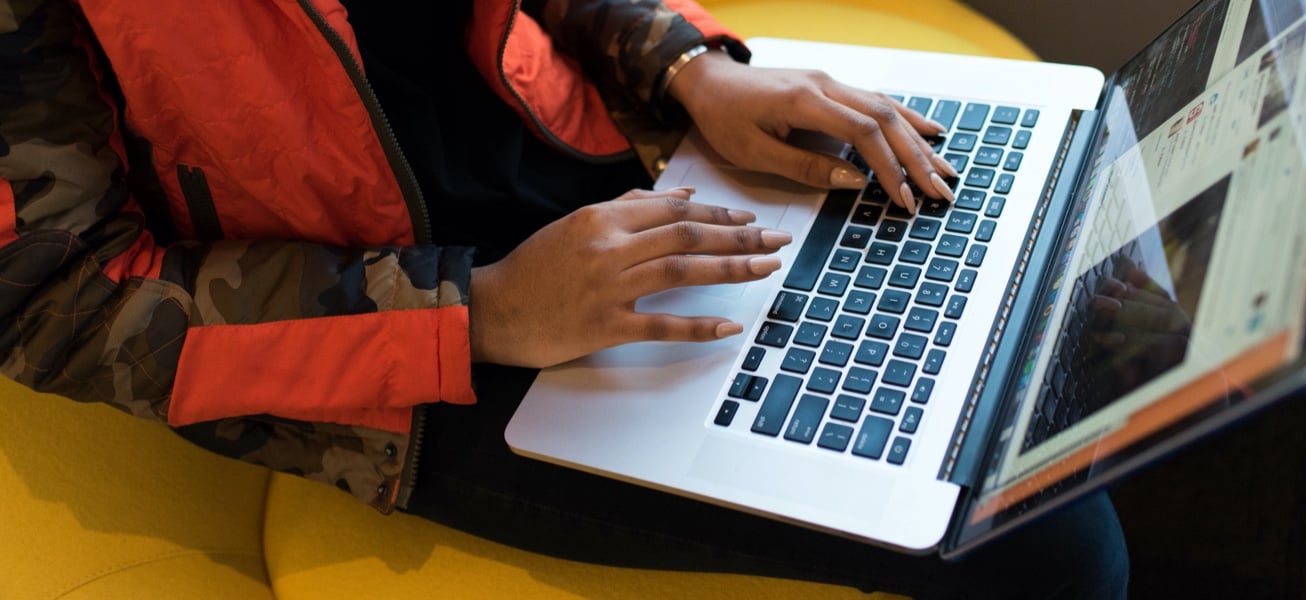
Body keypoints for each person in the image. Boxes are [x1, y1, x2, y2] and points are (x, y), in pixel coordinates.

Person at [0, 0, 1127, 597]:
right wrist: (478, 310)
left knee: (1032, 232)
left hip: (597, 149)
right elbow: (52, 297)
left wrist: (693, 69)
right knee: (1042, 538)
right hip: (386, 347)